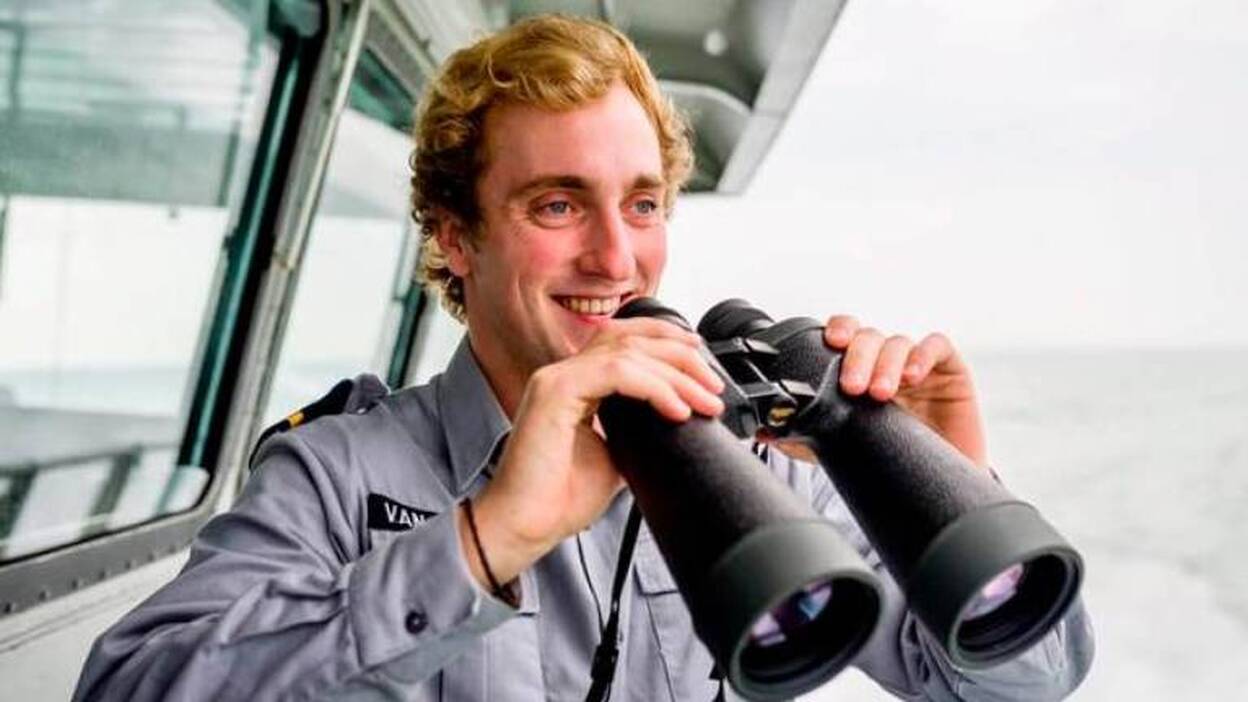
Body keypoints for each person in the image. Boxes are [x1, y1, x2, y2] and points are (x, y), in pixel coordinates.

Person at [74, 14, 1093, 701]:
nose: (616, 257)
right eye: (558, 205)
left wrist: (952, 498)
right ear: (456, 237)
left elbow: (1024, 680)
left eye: (642, 205)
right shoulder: (341, 473)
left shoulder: (761, 465)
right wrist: (484, 542)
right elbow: (130, 688)